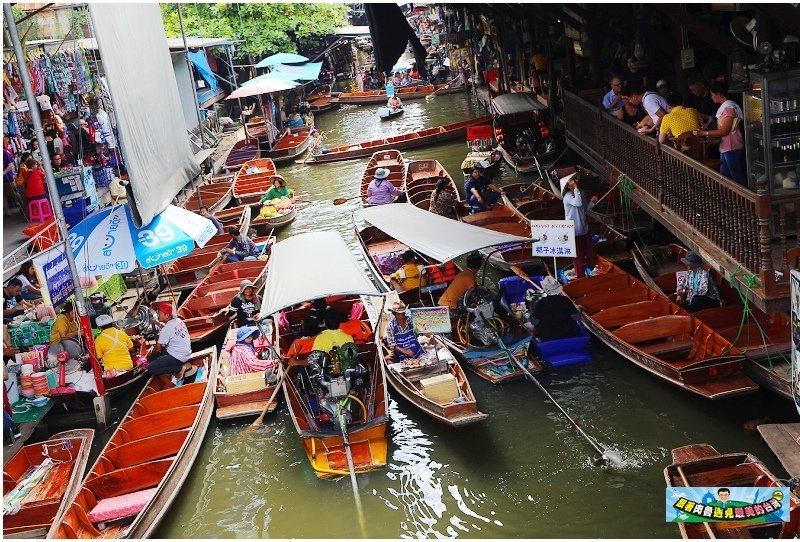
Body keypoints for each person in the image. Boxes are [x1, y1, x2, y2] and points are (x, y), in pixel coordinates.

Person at [692, 83, 746, 187]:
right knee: (725, 175)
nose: (711, 98)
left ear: (719, 94)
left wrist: (704, 133)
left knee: (736, 176)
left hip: (732, 145)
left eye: (712, 95)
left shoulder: (728, 109)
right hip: (725, 146)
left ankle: (749, 201)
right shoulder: (726, 107)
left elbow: (724, 131)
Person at [563, 175, 598, 279]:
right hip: (573, 230)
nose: (576, 181)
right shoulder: (568, 196)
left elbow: (584, 208)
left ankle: (592, 271)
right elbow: (577, 203)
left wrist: (592, 202)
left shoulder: (580, 192)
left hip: (584, 228)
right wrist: (575, 188)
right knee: (578, 257)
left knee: (590, 252)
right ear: (569, 185)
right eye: (573, 181)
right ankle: (580, 276)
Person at [528, 276, 581, 341]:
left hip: (548, 337)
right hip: (570, 334)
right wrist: (578, 309)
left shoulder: (541, 303)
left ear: (545, 290)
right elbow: (576, 318)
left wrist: (530, 317)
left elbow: (534, 322)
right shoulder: (565, 300)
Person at [148, 303, 192, 378]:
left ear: (167, 315)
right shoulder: (178, 320)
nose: (158, 315)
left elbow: (158, 348)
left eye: (160, 313)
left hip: (177, 357)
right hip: (185, 352)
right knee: (152, 359)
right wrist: (157, 323)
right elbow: (168, 329)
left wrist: (150, 353)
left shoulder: (166, 329)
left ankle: (179, 368)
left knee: (150, 368)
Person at [3, 139, 17, 215]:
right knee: (3, 195)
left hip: (7, 177)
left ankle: (21, 204)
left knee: (13, 193)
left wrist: (4, 172)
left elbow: (10, 164)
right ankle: (7, 211)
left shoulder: (4, 153)